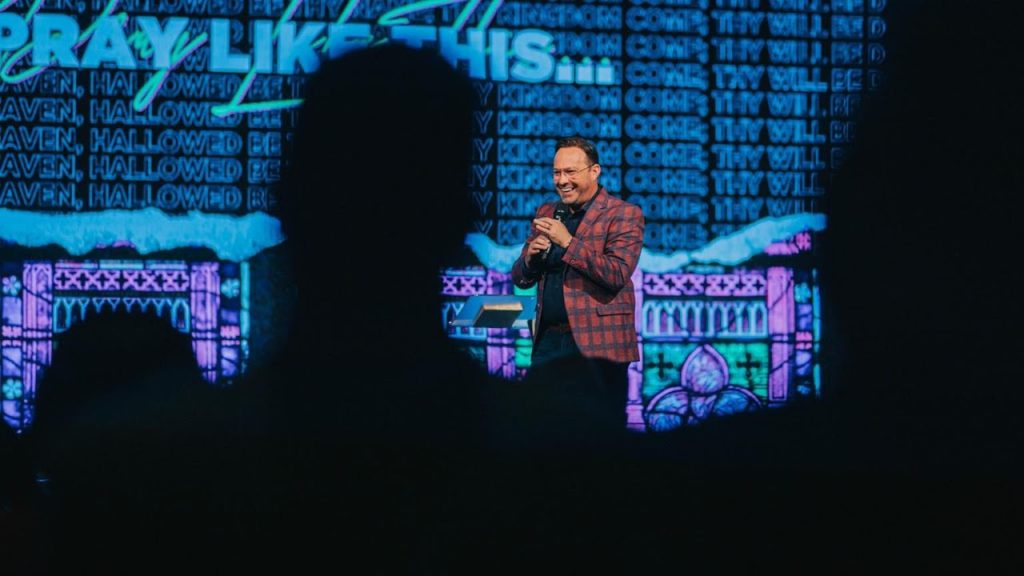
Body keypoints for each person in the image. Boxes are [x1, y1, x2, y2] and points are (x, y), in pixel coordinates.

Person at [511, 136, 644, 428]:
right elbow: (521, 278)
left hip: (599, 343)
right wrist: (530, 259)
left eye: (570, 172)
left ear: (594, 171)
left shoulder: (623, 214)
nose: (562, 181)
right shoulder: (547, 212)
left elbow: (616, 274)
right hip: (549, 339)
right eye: (557, 173)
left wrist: (568, 242)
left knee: (598, 427)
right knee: (541, 424)